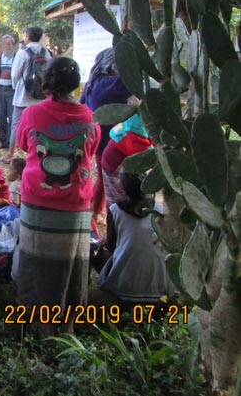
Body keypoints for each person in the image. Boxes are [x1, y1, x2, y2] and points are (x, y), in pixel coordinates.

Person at [15, 57, 100, 336]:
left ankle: (37, 325)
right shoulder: (90, 117)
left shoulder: (32, 114)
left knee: (35, 264)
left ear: (46, 83)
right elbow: (91, 149)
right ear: (75, 84)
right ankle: (67, 328)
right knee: (71, 268)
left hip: (37, 203)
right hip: (75, 204)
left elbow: (23, 143)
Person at [96, 170, 174, 302]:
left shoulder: (115, 210)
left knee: (102, 249)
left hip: (123, 286)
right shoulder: (160, 209)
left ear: (123, 186)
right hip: (160, 286)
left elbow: (111, 246)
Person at [80, 47, 132, 218]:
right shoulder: (111, 83)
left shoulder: (92, 82)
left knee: (103, 175)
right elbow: (131, 84)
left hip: (94, 135)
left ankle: (95, 209)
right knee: (108, 177)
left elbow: (81, 103)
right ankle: (96, 211)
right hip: (110, 139)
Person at [4, 26, 50, 164]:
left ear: (27, 36)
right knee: (39, 125)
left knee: (16, 124)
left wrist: (16, 88)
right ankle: (39, 153)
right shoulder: (45, 52)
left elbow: (15, 75)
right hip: (40, 96)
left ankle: (10, 154)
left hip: (23, 96)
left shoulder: (23, 52)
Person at [0, 35, 16, 150]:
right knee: (1, 117)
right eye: (4, 44)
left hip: (12, 90)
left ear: (13, 45)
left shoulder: (17, 57)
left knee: (12, 118)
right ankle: (3, 141)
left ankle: (11, 143)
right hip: (1, 89)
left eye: (8, 44)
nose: (6, 46)